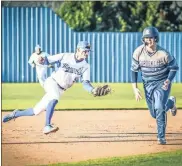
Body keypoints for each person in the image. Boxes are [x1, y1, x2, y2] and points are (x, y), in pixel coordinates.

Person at [2, 41, 111, 134]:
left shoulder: (86, 66)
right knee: (54, 98)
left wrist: (92, 90)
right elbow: (48, 60)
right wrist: (41, 59)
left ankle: (15, 114)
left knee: (36, 111)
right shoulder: (65, 56)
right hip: (52, 82)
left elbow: (85, 83)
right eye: (85, 51)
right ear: (78, 50)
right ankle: (47, 126)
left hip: (61, 89)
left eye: (88, 51)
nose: (87, 53)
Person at [131, 26, 179, 145]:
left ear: (156, 39)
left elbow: (174, 67)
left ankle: (161, 136)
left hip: (161, 82)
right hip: (147, 84)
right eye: (146, 38)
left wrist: (168, 80)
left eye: (151, 38)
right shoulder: (138, 52)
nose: (149, 40)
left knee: (159, 107)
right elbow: (134, 71)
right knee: (154, 113)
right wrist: (135, 89)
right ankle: (171, 102)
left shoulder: (163, 53)